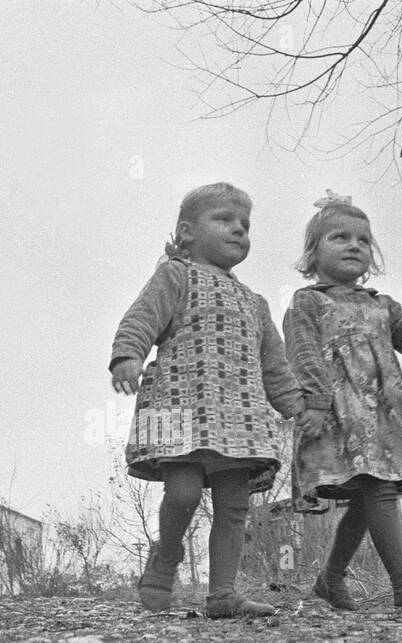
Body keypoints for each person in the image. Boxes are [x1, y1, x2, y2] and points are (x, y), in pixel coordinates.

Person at [110, 182, 316, 618]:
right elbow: (143, 316)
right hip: (178, 405)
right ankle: (166, 557)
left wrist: (297, 407)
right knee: (182, 493)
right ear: (186, 231)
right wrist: (128, 354)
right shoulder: (175, 275)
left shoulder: (254, 302)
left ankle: (223, 593)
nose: (238, 230)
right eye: (224, 220)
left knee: (233, 504)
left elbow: (274, 366)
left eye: (244, 224)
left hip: (240, 417)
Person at [284, 192, 402, 611]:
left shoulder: (381, 305)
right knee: (377, 490)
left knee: (370, 494)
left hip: (382, 418)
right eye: (340, 237)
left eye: (363, 240)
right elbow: (302, 355)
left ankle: (330, 581)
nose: (354, 245)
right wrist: (314, 402)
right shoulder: (308, 302)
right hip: (336, 416)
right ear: (313, 254)